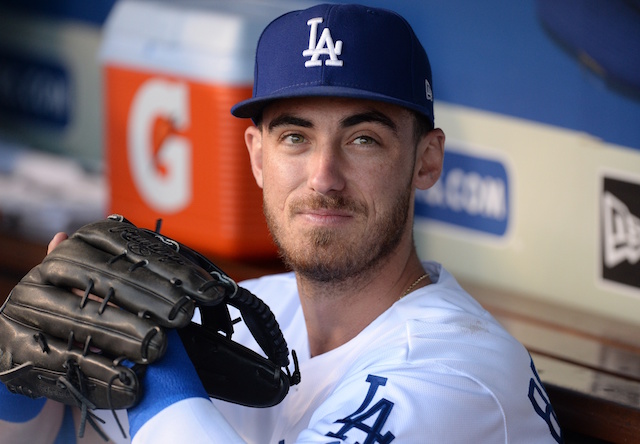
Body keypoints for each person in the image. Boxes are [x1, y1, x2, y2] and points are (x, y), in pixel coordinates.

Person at [0, 3, 562, 443]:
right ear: (256, 156)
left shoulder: (459, 379)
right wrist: (19, 377)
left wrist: (151, 370)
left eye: (363, 139)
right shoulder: (254, 312)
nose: (324, 176)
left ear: (426, 160)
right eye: (296, 137)